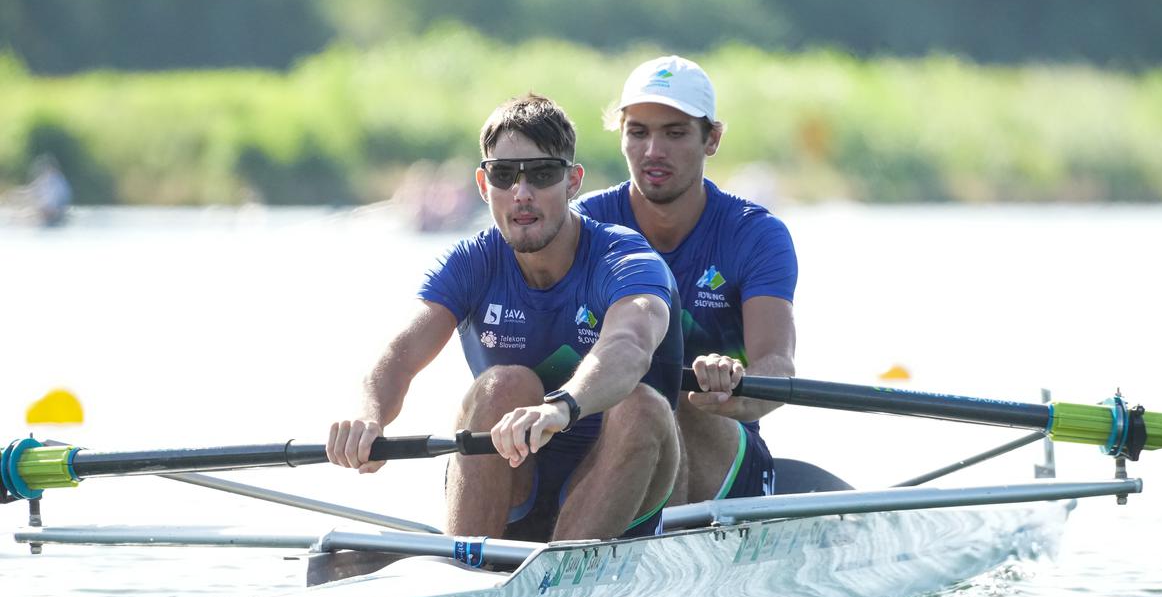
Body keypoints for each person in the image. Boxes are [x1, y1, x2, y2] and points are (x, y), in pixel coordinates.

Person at [328, 94, 683, 542]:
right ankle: (465, 569)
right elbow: (399, 354)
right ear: (483, 183)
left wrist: (561, 408)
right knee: (504, 386)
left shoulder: (625, 257)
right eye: (503, 175)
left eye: (542, 174)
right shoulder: (472, 262)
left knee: (642, 405)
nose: (522, 193)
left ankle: (562, 567)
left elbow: (628, 345)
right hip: (513, 478)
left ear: (573, 182)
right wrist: (368, 417)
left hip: (618, 487)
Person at [577, 55, 848, 505]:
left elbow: (777, 365)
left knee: (667, 391)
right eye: (638, 132)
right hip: (599, 446)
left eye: (675, 133)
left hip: (722, 459)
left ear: (713, 139)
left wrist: (732, 390)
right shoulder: (586, 224)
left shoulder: (755, 234)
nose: (652, 152)